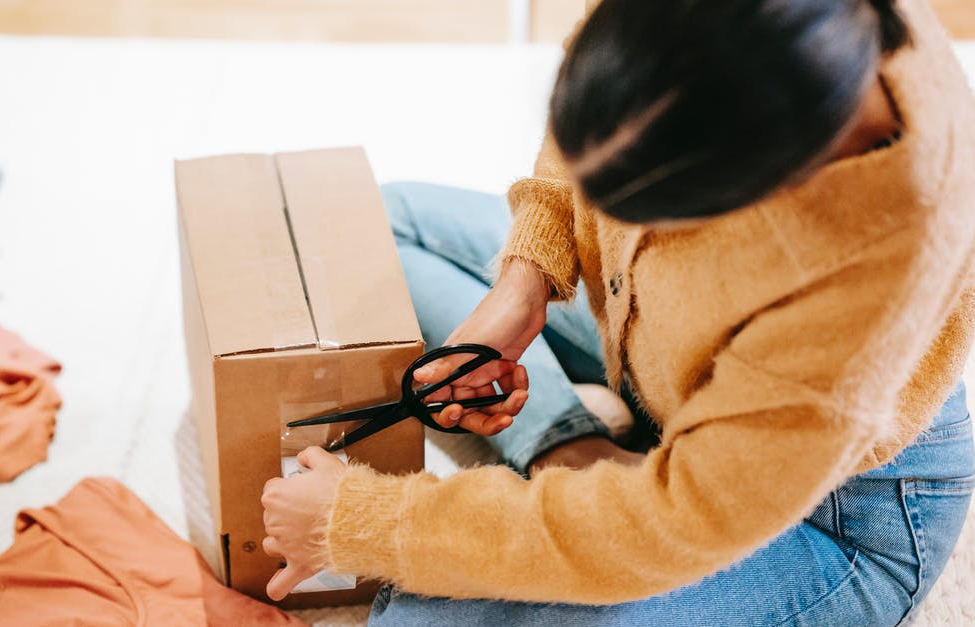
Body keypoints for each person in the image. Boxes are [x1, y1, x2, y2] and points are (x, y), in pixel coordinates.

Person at [261, 0, 975, 624]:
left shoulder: (880, 256)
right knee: (381, 226)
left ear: (769, 193)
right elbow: (601, 74)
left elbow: (675, 524)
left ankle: (598, 471)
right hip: (666, 358)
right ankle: (567, 446)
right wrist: (527, 279)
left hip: (833, 516)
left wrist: (357, 523)